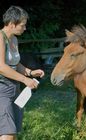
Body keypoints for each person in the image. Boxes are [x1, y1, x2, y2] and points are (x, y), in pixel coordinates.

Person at [0, 6, 45, 140]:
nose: (25, 28)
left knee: (13, 133)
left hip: (15, 89)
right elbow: (1, 67)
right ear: (12, 24)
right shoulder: (0, 38)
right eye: (22, 25)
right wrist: (25, 80)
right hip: (1, 90)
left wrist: (30, 72)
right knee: (7, 133)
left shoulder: (14, 39)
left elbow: (15, 63)